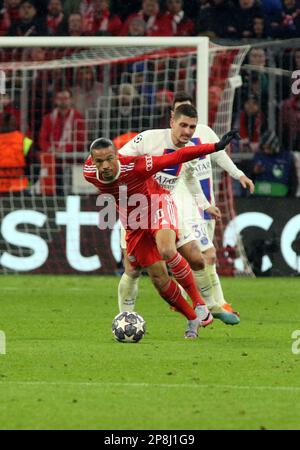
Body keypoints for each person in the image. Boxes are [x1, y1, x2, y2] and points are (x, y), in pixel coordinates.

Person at [83, 130, 238, 338]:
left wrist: (215, 147)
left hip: (158, 204)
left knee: (167, 249)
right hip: (134, 223)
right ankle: (192, 317)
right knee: (158, 277)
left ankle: (200, 303)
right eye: (99, 161)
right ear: (92, 162)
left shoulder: (136, 166)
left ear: (117, 156)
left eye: (110, 159)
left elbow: (177, 156)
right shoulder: (89, 173)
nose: (105, 166)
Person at [117, 103, 239, 325]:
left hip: (165, 206)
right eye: (183, 125)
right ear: (171, 122)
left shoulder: (189, 149)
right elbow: (118, 161)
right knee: (133, 268)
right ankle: (126, 317)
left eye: (192, 127)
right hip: (136, 209)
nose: (187, 131)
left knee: (196, 256)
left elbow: (190, 177)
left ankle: (210, 306)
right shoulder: (148, 139)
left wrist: (204, 205)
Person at [0, 112, 39, 193]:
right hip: (19, 187)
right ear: (15, 124)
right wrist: (29, 183)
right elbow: (36, 166)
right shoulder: (25, 141)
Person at [252, 130, 297, 197]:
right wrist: (254, 171)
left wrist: (290, 198)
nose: (265, 150)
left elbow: (293, 180)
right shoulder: (258, 156)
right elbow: (249, 178)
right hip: (260, 198)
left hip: (281, 199)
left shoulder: (287, 157)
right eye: (264, 148)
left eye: (267, 147)